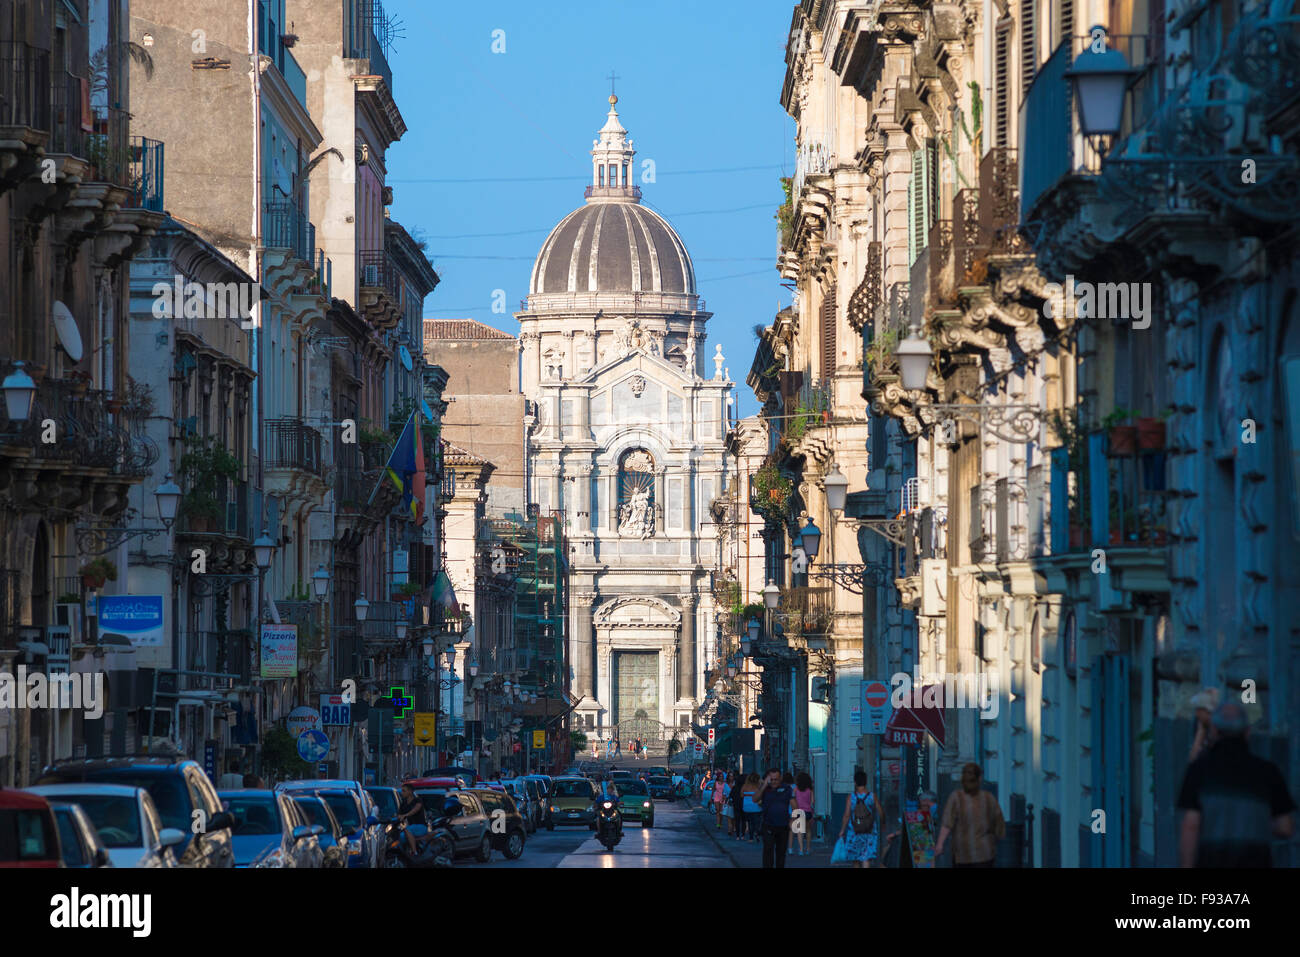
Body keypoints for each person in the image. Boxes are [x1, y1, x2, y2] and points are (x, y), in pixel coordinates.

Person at [1177, 701, 1296, 867]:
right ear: (1247, 732)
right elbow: (1286, 827)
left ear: (1214, 731)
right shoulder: (1268, 771)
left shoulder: (1199, 770)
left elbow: (1191, 826)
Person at [935, 763, 1005, 867]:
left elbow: (947, 823)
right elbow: (999, 824)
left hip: (962, 853)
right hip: (985, 853)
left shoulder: (956, 797)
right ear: (979, 778)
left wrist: (940, 844)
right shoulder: (988, 798)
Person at [838, 770, 884, 868]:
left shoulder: (851, 797)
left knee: (856, 858)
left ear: (855, 782)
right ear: (866, 782)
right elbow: (880, 812)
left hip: (854, 830)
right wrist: (883, 823)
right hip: (869, 830)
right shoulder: (872, 796)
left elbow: (846, 815)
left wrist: (842, 830)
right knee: (865, 857)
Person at [754, 768, 796, 868]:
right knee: (768, 851)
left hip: (783, 825)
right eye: (771, 779)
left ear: (780, 778)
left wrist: (792, 820)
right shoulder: (765, 789)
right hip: (768, 825)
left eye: (776, 779)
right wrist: (764, 785)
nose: (773, 782)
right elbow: (755, 799)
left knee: (781, 853)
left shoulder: (787, 789)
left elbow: (795, 806)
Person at [1187, 688, 1221, 763]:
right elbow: (1192, 759)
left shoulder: (1220, 731)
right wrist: (1201, 731)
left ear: (1207, 711)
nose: (1196, 714)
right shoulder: (1202, 727)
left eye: (1199, 710)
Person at [394, 783, 426, 858]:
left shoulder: (417, 800)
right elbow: (399, 814)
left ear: (410, 791)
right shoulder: (403, 803)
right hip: (411, 827)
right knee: (401, 836)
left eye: (404, 791)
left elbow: (416, 809)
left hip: (420, 826)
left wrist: (406, 815)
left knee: (407, 830)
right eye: (402, 791)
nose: (402, 793)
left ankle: (415, 853)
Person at [791, 772, 815, 856]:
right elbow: (812, 802)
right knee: (808, 831)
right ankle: (808, 849)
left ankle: (801, 850)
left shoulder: (795, 789)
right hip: (808, 812)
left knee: (800, 832)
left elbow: (793, 800)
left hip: (799, 812)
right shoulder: (810, 790)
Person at [741, 773, 762, 842]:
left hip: (747, 806)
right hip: (756, 806)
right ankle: (757, 832)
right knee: (756, 821)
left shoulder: (745, 786)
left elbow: (741, 795)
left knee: (750, 822)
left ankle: (751, 838)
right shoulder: (758, 786)